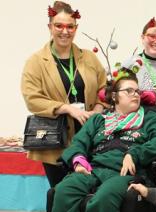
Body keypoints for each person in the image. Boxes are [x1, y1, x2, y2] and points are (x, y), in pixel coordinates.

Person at [51, 70, 156, 212]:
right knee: (64, 190)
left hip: (126, 174)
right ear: (114, 96)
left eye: (137, 91)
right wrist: (78, 160)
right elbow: (79, 143)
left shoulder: (151, 119)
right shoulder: (98, 120)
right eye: (129, 90)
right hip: (95, 169)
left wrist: (135, 153)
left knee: (103, 198)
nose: (135, 94)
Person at [21, 1, 107, 187]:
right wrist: (67, 108)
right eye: (59, 26)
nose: (65, 31)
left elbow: (105, 89)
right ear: (50, 27)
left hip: (91, 138)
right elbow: (32, 99)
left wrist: (99, 108)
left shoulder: (89, 57)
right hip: (56, 143)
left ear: (76, 28)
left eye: (70, 26)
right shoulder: (36, 61)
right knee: (62, 196)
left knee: (92, 194)